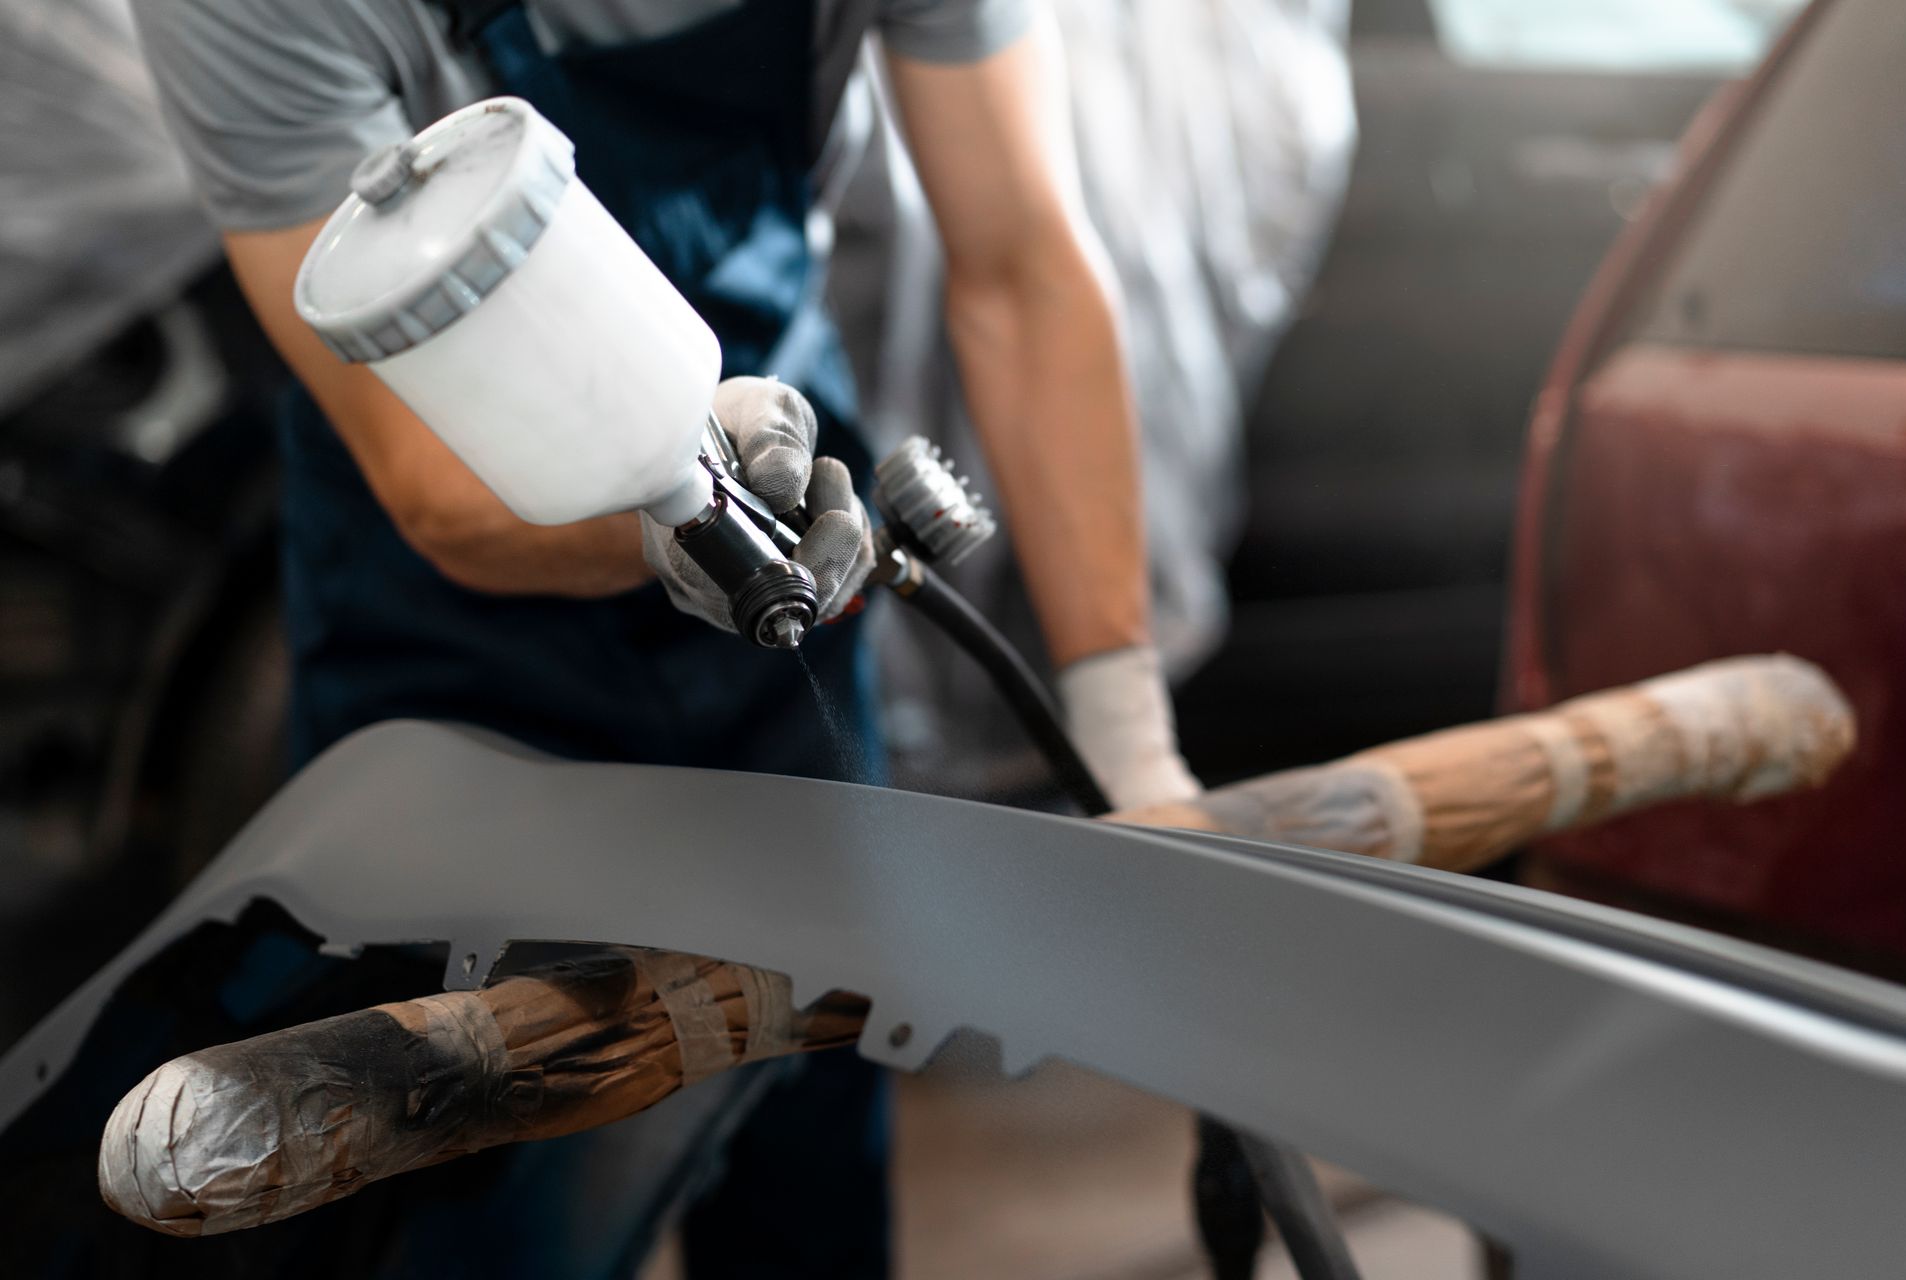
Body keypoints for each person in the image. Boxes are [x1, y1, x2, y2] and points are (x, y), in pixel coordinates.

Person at [132, 0, 1202, 1275]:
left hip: (789, 543)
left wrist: (1129, 741)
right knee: (469, 1180)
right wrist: (669, 513)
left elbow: (1021, 260)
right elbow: (426, 473)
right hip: (453, 664)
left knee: (806, 1164)